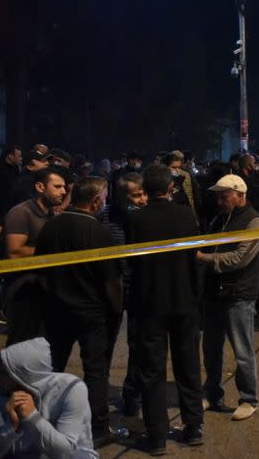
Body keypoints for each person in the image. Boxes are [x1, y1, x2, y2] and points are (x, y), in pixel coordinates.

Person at [35, 176, 124, 447]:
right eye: (104, 198)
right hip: (91, 313)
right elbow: (111, 280)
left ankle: (42, 421)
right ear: (96, 201)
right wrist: (116, 309)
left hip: (56, 310)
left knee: (52, 368)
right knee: (96, 371)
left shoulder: (50, 227)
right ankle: (99, 427)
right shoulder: (100, 233)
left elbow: (40, 268)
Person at [127, 165, 204, 455]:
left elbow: (133, 262)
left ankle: (157, 435)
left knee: (152, 370)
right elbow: (192, 257)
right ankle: (193, 426)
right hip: (184, 300)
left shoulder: (137, 220)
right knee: (188, 366)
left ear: (145, 190)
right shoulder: (185, 215)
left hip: (149, 304)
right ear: (171, 188)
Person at [197, 174, 259, 422]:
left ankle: (248, 399)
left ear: (240, 195)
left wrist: (204, 259)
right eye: (218, 196)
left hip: (239, 294)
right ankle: (212, 393)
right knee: (211, 349)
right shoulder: (219, 219)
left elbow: (239, 259)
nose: (219, 201)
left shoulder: (254, 222)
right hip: (214, 292)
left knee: (243, 351)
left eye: (224, 196)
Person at [0, 338, 98, 458]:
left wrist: (32, 417)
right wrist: (12, 426)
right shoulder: (2, 393)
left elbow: (64, 453)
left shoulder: (71, 389)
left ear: (20, 376)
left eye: (3, 373)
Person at [3, 167, 67, 345]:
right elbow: (14, 252)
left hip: (44, 288)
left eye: (64, 187)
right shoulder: (21, 213)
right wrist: (53, 249)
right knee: (21, 343)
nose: (63, 191)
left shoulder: (52, 214)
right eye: (57, 186)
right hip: (23, 290)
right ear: (40, 187)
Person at [107, 172, 147, 417]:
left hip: (138, 287)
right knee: (104, 343)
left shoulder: (146, 218)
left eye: (143, 194)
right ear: (122, 197)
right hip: (111, 286)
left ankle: (131, 395)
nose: (142, 199)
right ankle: (97, 396)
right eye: (136, 195)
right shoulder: (106, 216)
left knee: (137, 343)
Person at [0, 145, 22, 234]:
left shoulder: (15, 168)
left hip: (10, 204)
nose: (21, 159)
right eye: (19, 156)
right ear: (10, 156)